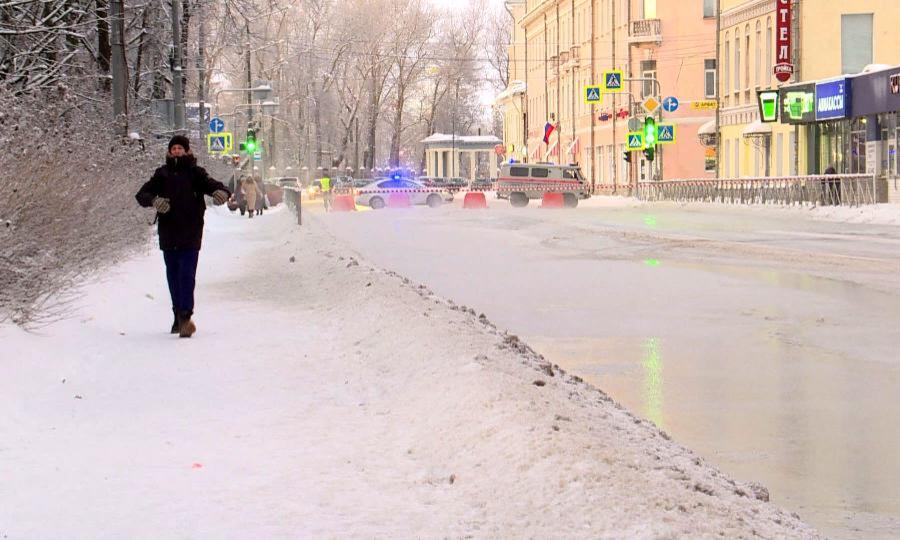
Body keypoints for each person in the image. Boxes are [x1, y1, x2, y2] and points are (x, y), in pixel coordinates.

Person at [135, 135, 230, 338]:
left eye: (180, 148)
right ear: (170, 152)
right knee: (173, 276)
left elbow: (214, 185)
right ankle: (177, 315)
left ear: (187, 151)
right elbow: (142, 194)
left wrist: (222, 192)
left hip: (191, 231)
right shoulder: (162, 174)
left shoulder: (196, 173)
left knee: (187, 274)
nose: (177, 151)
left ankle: (186, 316)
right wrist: (154, 201)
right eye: (174, 148)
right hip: (169, 233)